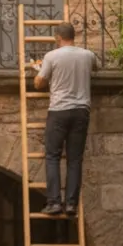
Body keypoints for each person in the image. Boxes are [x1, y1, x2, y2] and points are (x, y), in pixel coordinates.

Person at [33, 22, 99, 215]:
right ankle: (71, 204)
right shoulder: (87, 55)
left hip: (59, 110)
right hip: (81, 111)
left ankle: (54, 202)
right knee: (74, 159)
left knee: (52, 156)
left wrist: (37, 70)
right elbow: (96, 68)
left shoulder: (51, 56)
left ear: (57, 38)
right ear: (73, 36)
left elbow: (39, 83)